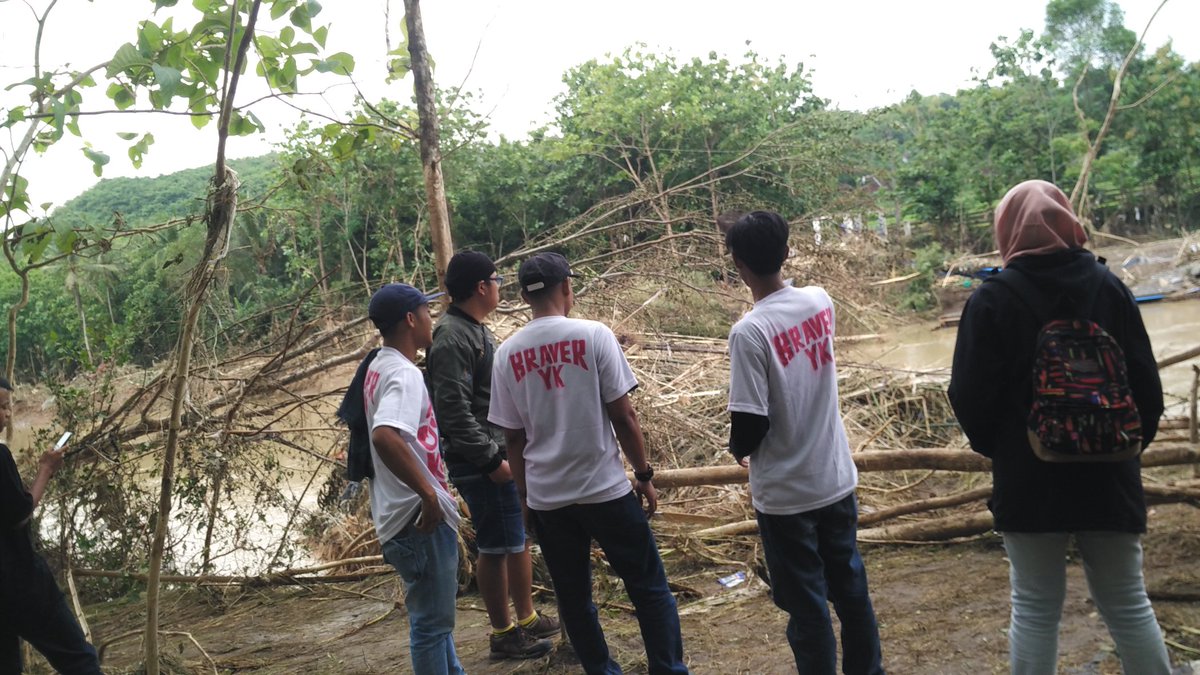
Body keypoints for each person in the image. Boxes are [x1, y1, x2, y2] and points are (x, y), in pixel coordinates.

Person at [948, 180, 1171, 674]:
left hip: (1028, 479)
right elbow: (1147, 389)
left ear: (1006, 229)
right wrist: (1124, 447)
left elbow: (967, 396)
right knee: (1129, 605)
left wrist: (1005, 450)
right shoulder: (1110, 288)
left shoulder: (990, 301)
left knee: (1034, 609)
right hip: (1110, 474)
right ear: (1068, 222)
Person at [488, 252, 688, 675]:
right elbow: (624, 415)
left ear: (524, 296)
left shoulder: (507, 354)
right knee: (649, 588)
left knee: (574, 598)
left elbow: (512, 437)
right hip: (605, 490)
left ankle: (601, 670)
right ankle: (668, 669)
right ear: (566, 287)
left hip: (550, 498)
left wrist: (525, 497)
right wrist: (645, 475)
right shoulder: (594, 336)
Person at [723, 211, 885, 675]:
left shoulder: (749, 332)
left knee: (807, 605)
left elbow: (751, 422)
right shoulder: (819, 301)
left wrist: (737, 450)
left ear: (737, 265)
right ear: (786, 253)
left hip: (787, 495)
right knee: (852, 591)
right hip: (835, 478)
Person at [427, 250, 558, 660]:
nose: (501, 286)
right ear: (482, 286)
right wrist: (490, 460)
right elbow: (452, 411)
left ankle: (526, 617)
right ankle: (503, 632)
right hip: (482, 461)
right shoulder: (451, 336)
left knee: (514, 539)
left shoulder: (473, 329)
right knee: (495, 546)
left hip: (499, 455)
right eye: (497, 279)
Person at [363, 283, 465, 675]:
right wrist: (429, 495)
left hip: (398, 518)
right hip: (417, 521)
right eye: (426, 311)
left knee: (438, 624)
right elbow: (384, 435)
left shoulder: (378, 365)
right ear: (410, 318)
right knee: (430, 626)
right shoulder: (404, 375)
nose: (431, 320)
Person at [0, 378, 103, 674]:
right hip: (20, 582)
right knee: (79, 658)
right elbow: (19, 515)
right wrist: (46, 469)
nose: (8, 414)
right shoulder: (0, 456)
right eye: (3, 407)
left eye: (9, 406)